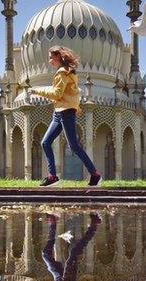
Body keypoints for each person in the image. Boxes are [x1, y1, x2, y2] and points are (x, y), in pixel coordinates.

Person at [26, 46, 102, 187]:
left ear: (59, 58)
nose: (49, 61)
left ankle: (95, 175)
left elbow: (56, 94)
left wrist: (36, 90)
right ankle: (52, 176)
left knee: (74, 146)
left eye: (51, 57)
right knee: (45, 142)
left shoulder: (62, 73)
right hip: (59, 112)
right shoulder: (68, 72)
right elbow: (66, 92)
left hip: (66, 112)